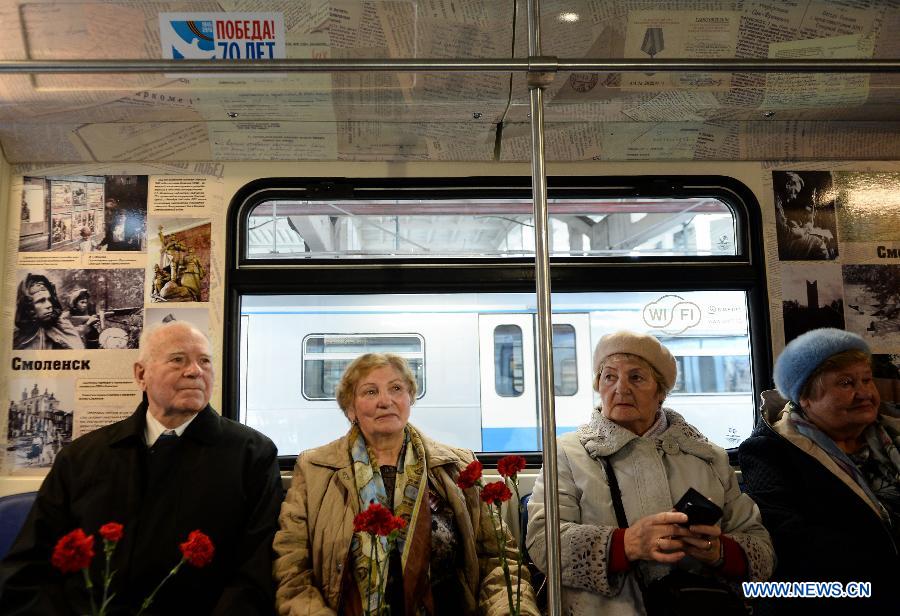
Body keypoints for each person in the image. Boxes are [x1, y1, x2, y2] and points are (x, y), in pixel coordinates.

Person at [0, 322, 283, 615]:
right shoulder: (82, 457)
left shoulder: (252, 455)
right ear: (141, 374)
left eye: (205, 361)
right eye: (178, 359)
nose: (195, 371)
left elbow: (255, 575)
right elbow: (28, 568)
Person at [527, 330, 774, 615]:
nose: (620, 389)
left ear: (661, 392)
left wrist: (718, 552)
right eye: (609, 377)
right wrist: (626, 544)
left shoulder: (709, 458)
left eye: (636, 377)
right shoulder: (568, 453)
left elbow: (761, 550)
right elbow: (543, 541)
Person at [273, 352, 540, 615]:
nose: (385, 401)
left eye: (396, 388)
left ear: (410, 398)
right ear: (350, 407)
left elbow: (499, 560)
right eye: (370, 392)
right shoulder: (315, 469)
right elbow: (292, 570)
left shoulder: (456, 466)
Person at [739, 328, 900, 615]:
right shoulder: (769, 451)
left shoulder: (893, 433)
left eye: (866, 379)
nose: (865, 393)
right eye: (846, 383)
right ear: (805, 397)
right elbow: (792, 542)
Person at [774, 171, 837, 261]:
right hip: (781, 246)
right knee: (817, 243)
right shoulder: (775, 201)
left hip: (782, 241)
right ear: (788, 184)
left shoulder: (777, 199)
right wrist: (804, 229)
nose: (795, 197)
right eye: (795, 192)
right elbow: (785, 234)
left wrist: (792, 224)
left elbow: (781, 226)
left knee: (822, 237)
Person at [12, 273, 84, 350]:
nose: (49, 305)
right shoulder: (16, 336)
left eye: (49, 300)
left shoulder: (62, 326)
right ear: (29, 307)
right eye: (41, 301)